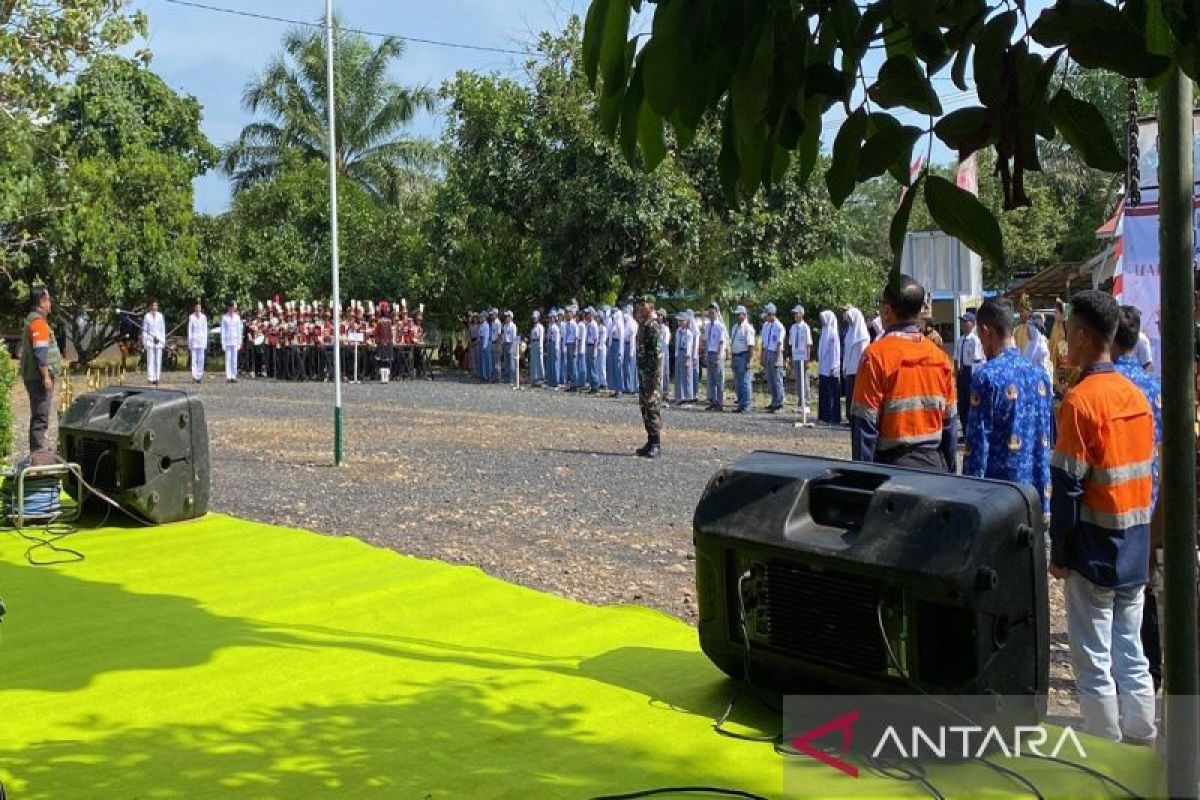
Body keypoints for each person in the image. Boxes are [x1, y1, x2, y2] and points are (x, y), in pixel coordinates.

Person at [1050, 289, 1156, 745]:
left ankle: (1104, 748)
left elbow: (1068, 488)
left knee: (1093, 660)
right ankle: (1142, 735)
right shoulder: (1136, 396)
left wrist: (1061, 553)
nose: (1064, 344)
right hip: (1133, 547)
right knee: (1130, 652)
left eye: (1069, 334)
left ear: (1086, 337)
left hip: (1094, 549)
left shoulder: (1081, 402)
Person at [850, 275, 957, 471]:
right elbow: (949, 425)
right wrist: (949, 474)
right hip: (935, 467)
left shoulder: (875, 357)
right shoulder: (940, 358)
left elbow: (864, 425)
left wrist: (862, 481)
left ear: (887, 310)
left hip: (892, 469)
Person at [1113, 305, 1164, 690]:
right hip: (1152, 503)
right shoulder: (1157, 388)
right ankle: (1154, 667)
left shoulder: (1103, 384)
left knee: (1114, 599)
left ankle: (1125, 677)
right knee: (1145, 589)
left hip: (1114, 503)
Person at [963, 299, 1052, 514]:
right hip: (1034, 496)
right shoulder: (1040, 375)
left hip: (998, 502)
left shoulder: (986, 377)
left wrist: (967, 500)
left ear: (987, 331)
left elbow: (977, 447)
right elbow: (1045, 438)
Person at [19, 287, 60, 452]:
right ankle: (37, 456)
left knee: (38, 415)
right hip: (38, 379)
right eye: (48, 299)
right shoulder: (38, 323)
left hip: (34, 377)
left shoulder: (32, 319)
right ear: (42, 302)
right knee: (41, 417)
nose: (50, 303)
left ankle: (37, 452)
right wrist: (46, 378)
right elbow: (40, 353)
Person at [634, 296, 663, 458]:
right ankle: (650, 440)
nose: (640, 307)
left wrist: (654, 378)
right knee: (645, 408)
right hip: (643, 374)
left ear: (651, 307)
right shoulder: (643, 326)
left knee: (652, 408)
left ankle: (656, 443)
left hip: (651, 376)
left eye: (643, 304)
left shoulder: (653, 327)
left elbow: (657, 355)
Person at [954, 311, 986, 438]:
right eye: (962, 321)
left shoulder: (975, 340)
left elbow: (978, 361)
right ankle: (965, 429)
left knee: (970, 403)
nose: (963, 324)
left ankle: (971, 432)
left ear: (972, 324)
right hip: (962, 372)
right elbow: (956, 358)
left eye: (965, 321)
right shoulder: (960, 340)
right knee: (961, 404)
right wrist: (957, 376)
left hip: (971, 371)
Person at [841, 306, 870, 421]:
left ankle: (856, 418)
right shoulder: (849, 333)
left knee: (856, 395)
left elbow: (862, 354)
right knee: (849, 395)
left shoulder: (863, 335)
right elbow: (846, 351)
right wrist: (844, 367)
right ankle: (849, 417)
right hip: (849, 369)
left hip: (858, 370)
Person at [760, 303, 786, 412]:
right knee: (770, 379)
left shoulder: (779, 327)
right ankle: (774, 400)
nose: (765, 317)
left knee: (777, 379)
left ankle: (779, 402)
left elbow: (779, 343)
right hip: (768, 353)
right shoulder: (765, 326)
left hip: (776, 353)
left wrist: (777, 358)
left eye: (767, 315)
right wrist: (762, 356)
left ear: (772, 314)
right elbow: (764, 343)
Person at [817, 310, 842, 424]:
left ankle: (833, 417)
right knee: (824, 393)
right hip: (823, 368)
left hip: (831, 369)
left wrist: (834, 366)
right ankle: (824, 416)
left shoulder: (833, 333)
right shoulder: (824, 332)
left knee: (832, 394)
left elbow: (835, 352)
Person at [730, 305, 755, 414]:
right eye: (737, 314)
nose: (738, 316)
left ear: (744, 315)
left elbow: (751, 346)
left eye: (740, 314)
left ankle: (747, 404)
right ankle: (740, 403)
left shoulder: (748, 328)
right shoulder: (735, 327)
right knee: (738, 382)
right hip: (735, 356)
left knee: (745, 381)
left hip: (743, 355)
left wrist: (749, 360)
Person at [788, 305, 812, 412]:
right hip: (796, 356)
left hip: (803, 356)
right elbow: (791, 344)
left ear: (801, 314)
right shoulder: (793, 328)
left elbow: (808, 344)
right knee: (797, 379)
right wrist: (791, 359)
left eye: (797, 313)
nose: (795, 316)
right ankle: (800, 401)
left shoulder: (805, 327)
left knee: (804, 379)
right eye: (794, 314)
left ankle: (806, 402)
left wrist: (807, 359)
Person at [704, 302, 727, 411]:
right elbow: (706, 341)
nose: (711, 314)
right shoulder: (708, 326)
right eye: (709, 312)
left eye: (713, 312)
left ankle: (720, 402)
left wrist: (718, 356)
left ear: (717, 313)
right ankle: (713, 400)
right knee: (711, 379)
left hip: (717, 354)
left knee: (719, 379)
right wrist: (705, 353)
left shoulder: (720, 326)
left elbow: (721, 342)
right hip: (709, 352)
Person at [1023, 312, 1053, 385]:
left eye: (1029, 328)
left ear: (1034, 330)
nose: (1027, 331)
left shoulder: (1040, 346)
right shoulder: (1031, 344)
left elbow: (1044, 369)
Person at [143, 300, 166, 387]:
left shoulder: (160, 316)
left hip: (158, 339)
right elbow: (144, 330)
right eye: (153, 305)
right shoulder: (147, 316)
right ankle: (150, 378)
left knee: (158, 360)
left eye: (156, 305)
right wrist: (144, 342)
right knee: (150, 360)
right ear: (150, 306)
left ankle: (157, 378)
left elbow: (163, 329)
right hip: (150, 339)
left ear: (157, 307)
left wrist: (163, 341)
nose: (154, 307)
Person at [674, 311, 695, 404]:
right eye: (679, 321)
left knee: (686, 377)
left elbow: (689, 347)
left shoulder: (689, 333)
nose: (679, 322)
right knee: (678, 376)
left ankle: (688, 397)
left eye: (681, 320)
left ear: (686, 322)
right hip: (679, 354)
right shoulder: (678, 331)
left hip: (686, 355)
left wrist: (688, 359)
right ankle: (679, 397)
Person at [221, 302, 243, 383]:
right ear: (228, 308)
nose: (231, 309)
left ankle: (234, 376)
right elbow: (223, 330)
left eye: (232, 308)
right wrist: (223, 342)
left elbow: (239, 330)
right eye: (230, 307)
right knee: (228, 359)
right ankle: (228, 376)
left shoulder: (237, 317)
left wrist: (239, 342)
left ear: (234, 308)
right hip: (227, 340)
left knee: (234, 359)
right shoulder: (224, 317)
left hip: (235, 340)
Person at [187, 302, 208, 384]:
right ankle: (194, 376)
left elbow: (205, 330)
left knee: (201, 359)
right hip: (194, 341)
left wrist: (205, 341)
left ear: (201, 308)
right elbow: (190, 330)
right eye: (196, 307)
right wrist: (190, 341)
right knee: (194, 360)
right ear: (194, 308)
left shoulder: (204, 317)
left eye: (199, 307)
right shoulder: (191, 317)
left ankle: (199, 376)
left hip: (202, 340)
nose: (198, 309)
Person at [501, 310, 518, 385]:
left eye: (507, 316)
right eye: (506, 316)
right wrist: (503, 343)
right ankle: (507, 377)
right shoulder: (504, 326)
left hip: (511, 343)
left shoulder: (513, 326)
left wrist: (514, 347)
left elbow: (514, 338)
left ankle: (512, 379)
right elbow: (504, 336)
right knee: (506, 362)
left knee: (511, 362)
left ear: (511, 317)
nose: (506, 318)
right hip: (505, 344)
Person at [529, 311, 545, 387]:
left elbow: (541, 338)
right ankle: (534, 378)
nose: (534, 319)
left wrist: (541, 347)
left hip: (538, 344)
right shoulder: (533, 327)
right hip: (533, 344)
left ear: (538, 318)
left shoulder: (540, 327)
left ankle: (540, 378)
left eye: (535, 317)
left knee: (539, 361)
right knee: (534, 362)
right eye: (533, 318)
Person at [658, 310, 671, 397]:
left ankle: (664, 390)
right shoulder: (656, 327)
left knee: (663, 370)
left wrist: (661, 350)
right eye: (658, 315)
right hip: (657, 349)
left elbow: (665, 341)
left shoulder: (665, 328)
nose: (659, 317)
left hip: (663, 349)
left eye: (661, 316)